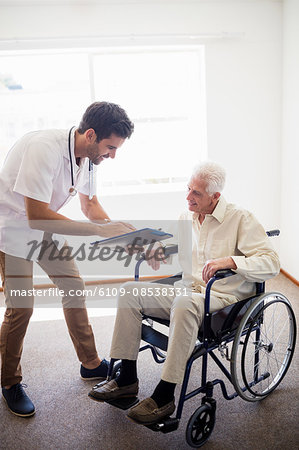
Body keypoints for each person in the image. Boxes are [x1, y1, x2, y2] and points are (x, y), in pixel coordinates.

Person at [88, 161, 280, 426]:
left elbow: (271, 262)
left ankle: (164, 396)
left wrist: (231, 261)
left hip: (224, 299)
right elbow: (176, 247)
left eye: (196, 193)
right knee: (129, 291)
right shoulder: (186, 216)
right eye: (188, 189)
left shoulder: (240, 218)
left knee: (184, 302)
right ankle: (126, 379)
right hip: (188, 291)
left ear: (215, 197)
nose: (188, 197)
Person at [0, 101, 135, 417]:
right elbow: (36, 215)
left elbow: (90, 205)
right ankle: (9, 381)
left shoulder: (88, 158)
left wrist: (121, 234)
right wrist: (98, 232)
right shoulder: (43, 148)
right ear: (90, 134)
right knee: (22, 306)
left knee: (73, 284)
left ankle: (90, 363)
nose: (112, 155)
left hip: (40, 225)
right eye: (110, 147)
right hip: (12, 227)